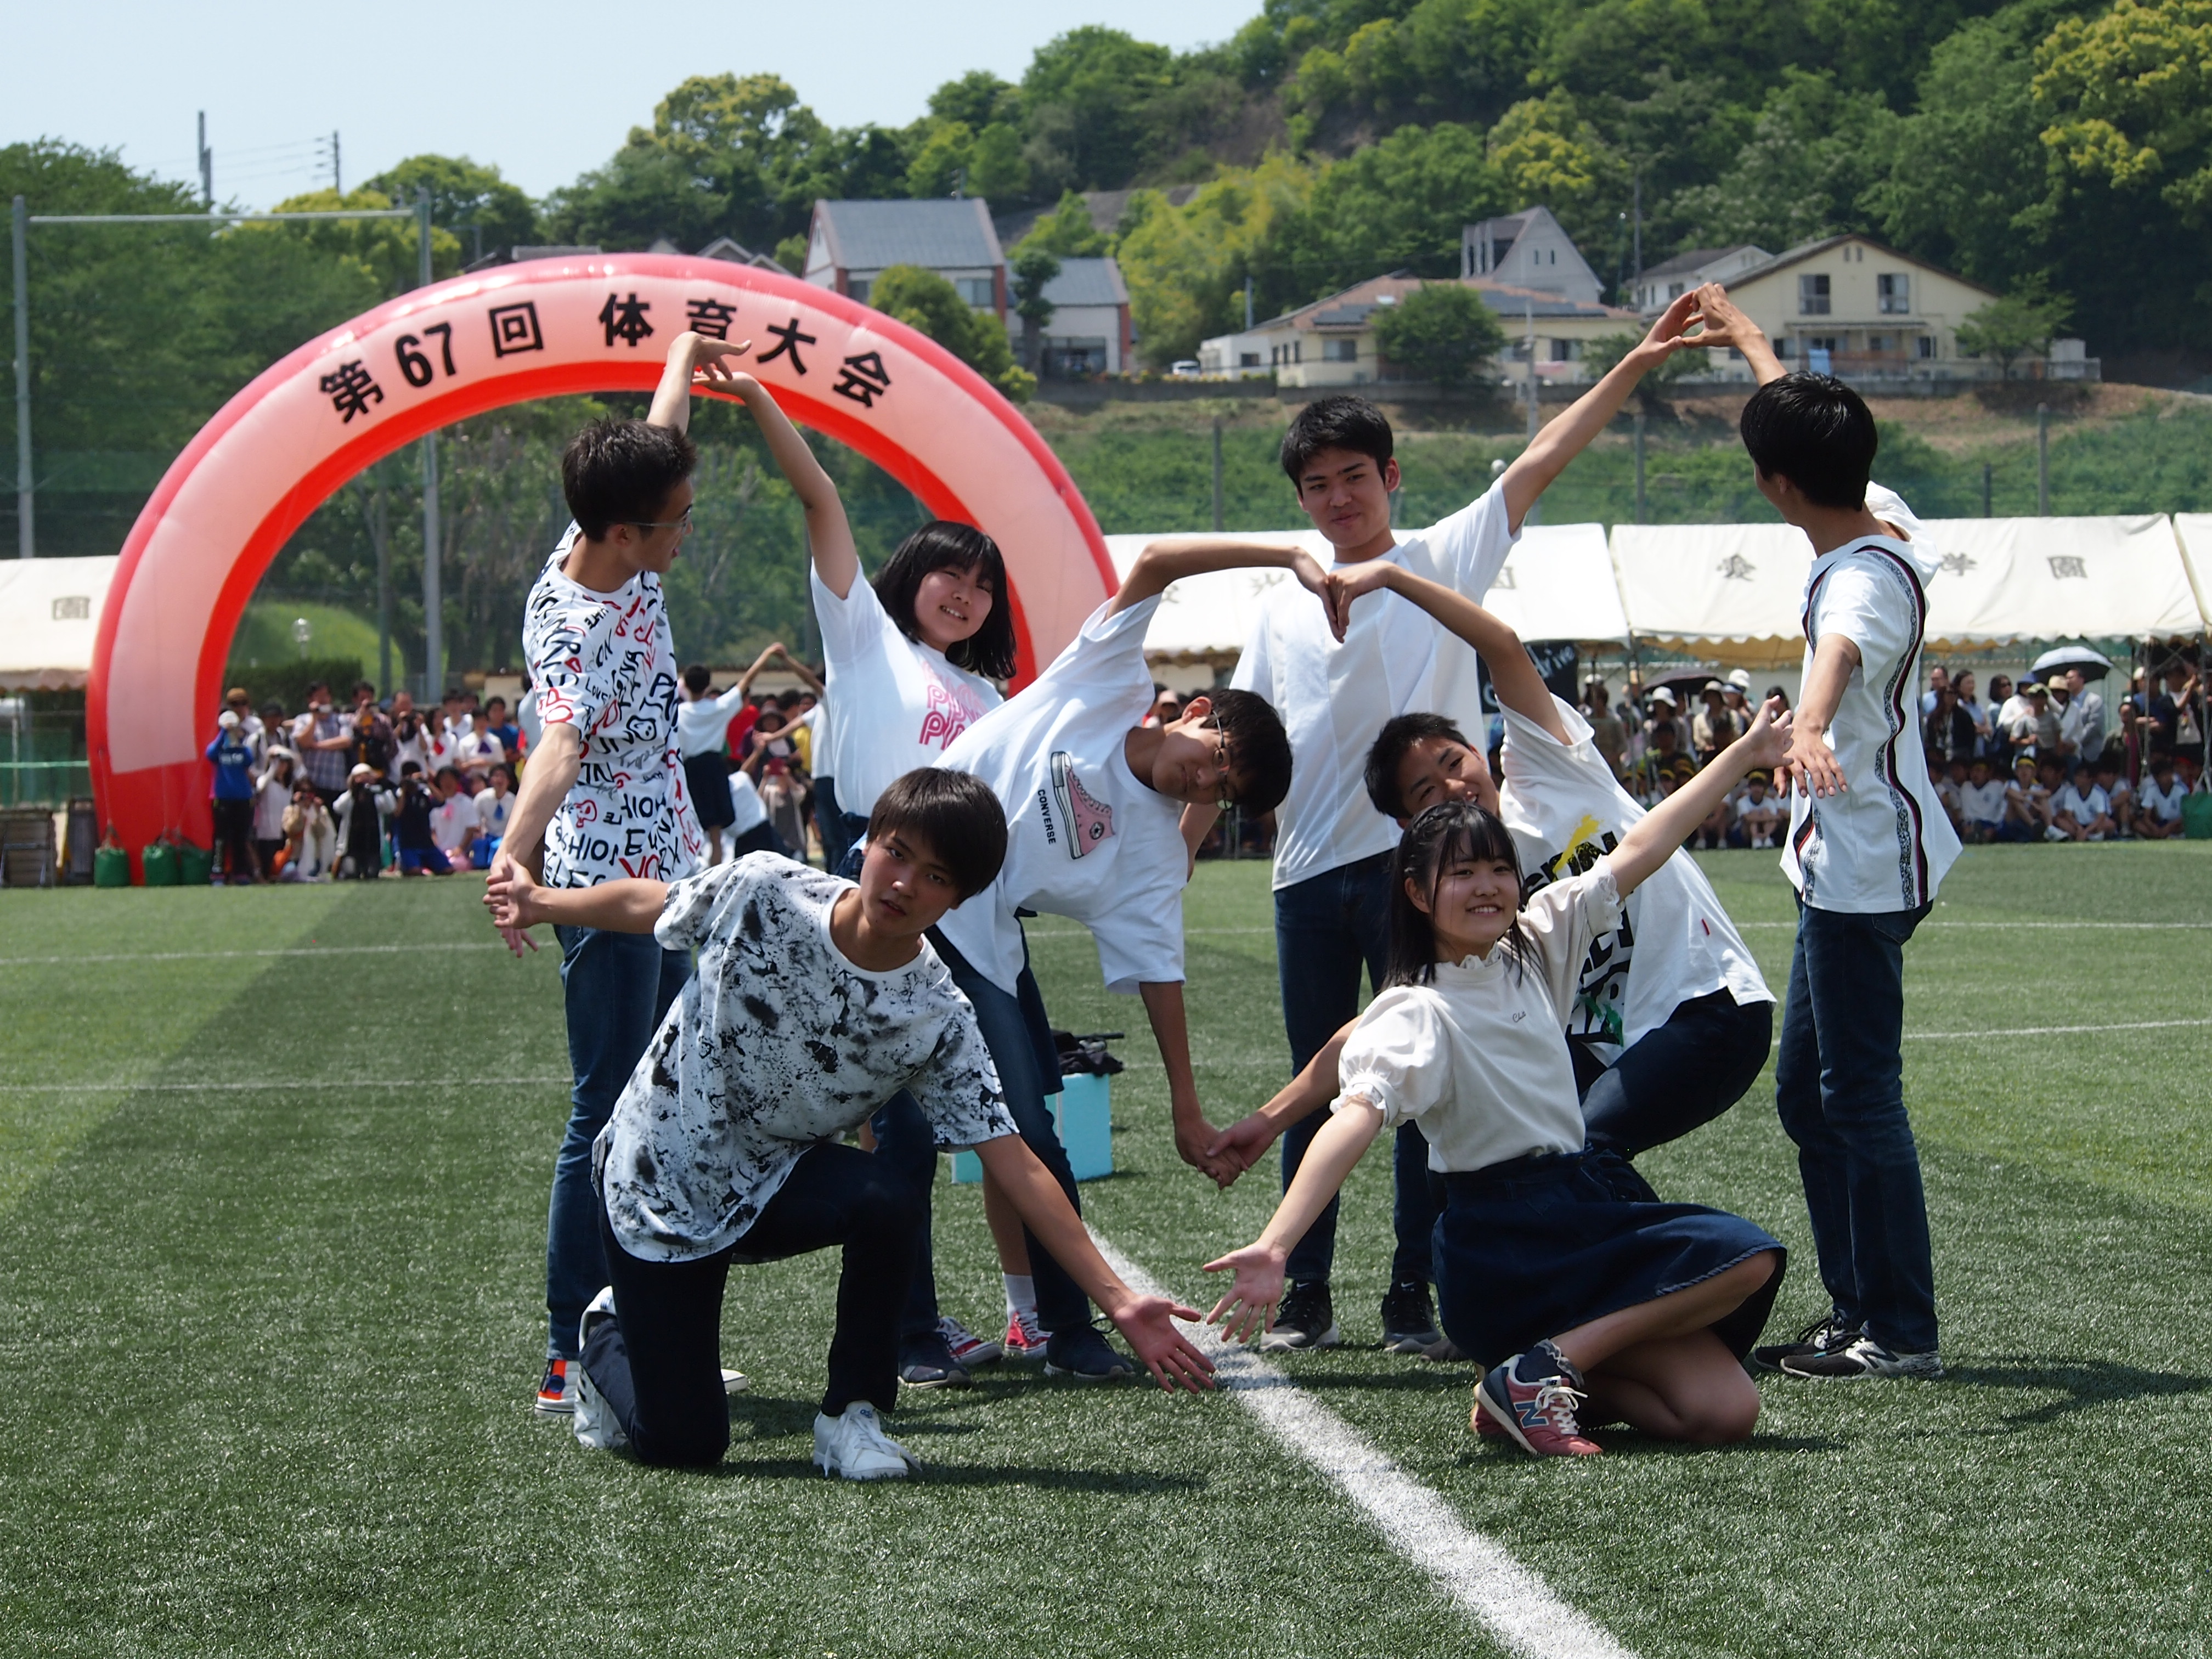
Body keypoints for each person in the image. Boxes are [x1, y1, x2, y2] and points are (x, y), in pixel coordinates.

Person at [1212, 292, 1717, 1357]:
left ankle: (1413, 1293)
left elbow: (1539, 460)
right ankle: (1305, 1292)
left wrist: (1637, 360)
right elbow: (1238, 747)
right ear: (1299, 498)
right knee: (1329, 1076)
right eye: (1318, 483)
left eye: (1356, 475)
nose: (1339, 496)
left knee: (1423, 1072)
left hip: (1416, 871)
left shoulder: (1440, 557)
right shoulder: (1271, 609)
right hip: (1303, 875)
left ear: (1390, 477)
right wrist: (1171, 856)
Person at [485, 770, 1214, 1475]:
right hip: (657, 1180)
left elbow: (1014, 1159)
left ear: (960, 897)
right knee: (685, 1442)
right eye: (897, 853)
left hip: (770, 1185)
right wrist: (542, 901)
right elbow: (656, 903)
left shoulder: (936, 1015)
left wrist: (1118, 1300)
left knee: (888, 1198)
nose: (904, 884)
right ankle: (605, 1334)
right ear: (868, 845)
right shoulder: (767, 889)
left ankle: (851, 1418)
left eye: (935, 876)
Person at [1203, 705, 1793, 1458]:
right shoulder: (1414, 1009)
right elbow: (1352, 1120)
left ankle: (1520, 1380)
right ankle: (1543, 1371)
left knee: (1723, 1411)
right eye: (1461, 874)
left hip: (1577, 1210)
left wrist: (1743, 753)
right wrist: (1276, 1244)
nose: (1486, 887)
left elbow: (1646, 843)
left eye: (1498, 870)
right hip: (1500, 1246)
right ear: (1418, 893)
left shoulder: (1539, 942)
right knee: (1747, 1255)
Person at [1209, 568, 1776, 1258]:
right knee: (1490, 1158)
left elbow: (1502, 645)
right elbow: (1385, 1021)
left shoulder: (1547, 770)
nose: (1454, 785)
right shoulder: (1465, 903)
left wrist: (1390, 576)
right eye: (1426, 791)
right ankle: (1509, 1289)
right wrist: (1270, 1119)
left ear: (1481, 751)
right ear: (1412, 826)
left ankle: (1668, 1276)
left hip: (1707, 1004)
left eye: (1455, 761)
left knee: (1585, 1145)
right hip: (1606, 1044)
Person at [875, 535, 1302, 1385]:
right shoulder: (1108, 682)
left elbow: (1161, 974)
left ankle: (1065, 1331)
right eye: (1216, 759)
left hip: (982, 940)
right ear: (1194, 712)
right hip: (899, 899)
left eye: (1223, 792)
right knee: (904, 1132)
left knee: (1033, 1130)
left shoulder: (1152, 858)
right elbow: (1157, 563)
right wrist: (1291, 558)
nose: (1205, 782)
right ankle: (911, 1333)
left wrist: (1186, 1108)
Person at [1690, 284, 1957, 1381]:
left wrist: (1802, 727)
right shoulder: (1878, 516)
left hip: (1863, 867)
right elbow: (1801, 423)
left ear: (1777, 486)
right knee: (1809, 1095)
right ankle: (1858, 1309)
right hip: (1845, 859)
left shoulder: (1859, 582)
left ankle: (1898, 1330)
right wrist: (1752, 341)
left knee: (1857, 1096)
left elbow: (1838, 650)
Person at [490, 326, 743, 1416]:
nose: (687, 531)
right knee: (605, 1108)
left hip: (675, 870)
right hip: (601, 885)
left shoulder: (606, 531)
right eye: (679, 520)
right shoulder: (572, 627)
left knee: (667, 1103)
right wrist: (512, 855)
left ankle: (647, 1327)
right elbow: (558, 746)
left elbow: (658, 434)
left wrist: (683, 352)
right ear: (629, 530)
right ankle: (570, 1348)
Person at [677, 646, 776, 867]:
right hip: (714, 768)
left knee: (692, 827)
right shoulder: (719, 707)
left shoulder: (677, 713)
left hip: (689, 770)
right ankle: (714, 875)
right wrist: (766, 655)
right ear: (708, 685)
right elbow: (746, 681)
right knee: (716, 835)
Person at [743, 706, 811, 857]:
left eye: (774, 720)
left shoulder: (788, 741)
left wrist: (789, 764)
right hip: (766, 786)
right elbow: (746, 768)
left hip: (788, 785)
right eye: (767, 721)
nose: (771, 723)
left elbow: (798, 761)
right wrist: (759, 754)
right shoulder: (757, 742)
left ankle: (798, 849)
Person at [205, 710, 260, 884]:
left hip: (243, 799)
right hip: (223, 798)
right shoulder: (217, 749)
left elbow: (249, 760)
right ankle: (218, 872)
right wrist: (224, 732)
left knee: (240, 837)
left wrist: (238, 740)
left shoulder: (243, 749)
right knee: (221, 837)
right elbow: (210, 754)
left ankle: (240, 872)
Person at [292, 683, 354, 804]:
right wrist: (314, 718)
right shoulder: (303, 719)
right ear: (310, 700)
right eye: (318, 696)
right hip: (311, 784)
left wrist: (316, 745)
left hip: (335, 783)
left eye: (326, 695)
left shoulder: (340, 719)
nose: (323, 700)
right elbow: (304, 742)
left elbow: (346, 741)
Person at [332, 763, 392, 879]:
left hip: (372, 844)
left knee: (371, 875)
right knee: (351, 874)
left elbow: (390, 808)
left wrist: (383, 790)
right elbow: (337, 807)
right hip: (352, 846)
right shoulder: (349, 797)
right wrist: (353, 792)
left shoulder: (377, 796)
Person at [390, 761, 448, 875]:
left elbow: (441, 800)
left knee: (447, 870)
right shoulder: (398, 794)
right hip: (408, 845)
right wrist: (404, 789)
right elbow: (397, 813)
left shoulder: (424, 795)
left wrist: (427, 782)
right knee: (415, 871)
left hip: (426, 843)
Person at [279, 781, 336, 882]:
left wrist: (317, 814)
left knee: (308, 873)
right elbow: (291, 830)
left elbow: (322, 833)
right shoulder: (290, 810)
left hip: (314, 858)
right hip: (296, 856)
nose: (307, 795)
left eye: (310, 792)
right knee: (288, 874)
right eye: (303, 791)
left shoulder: (321, 811)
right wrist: (299, 809)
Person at [2050, 767, 2114, 842]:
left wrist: (2086, 831)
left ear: (2090, 779)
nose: (2078, 779)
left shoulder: (2099, 794)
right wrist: (2079, 827)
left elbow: (2101, 817)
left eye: (2081, 776)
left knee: (2110, 824)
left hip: (2093, 825)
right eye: (2077, 776)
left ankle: (2089, 836)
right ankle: (2078, 836)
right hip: (2077, 825)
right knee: (2059, 821)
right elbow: (2068, 815)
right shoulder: (2070, 792)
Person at [1582, 680, 1629, 781]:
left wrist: (1611, 759)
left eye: (1598, 699)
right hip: (1594, 765)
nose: (1596, 703)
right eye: (1593, 700)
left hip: (1613, 766)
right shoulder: (1587, 722)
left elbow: (1623, 745)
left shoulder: (1614, 721)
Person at [2136, 755, 2188, 838]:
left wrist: (2170, 827)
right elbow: (2146, 817)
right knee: (2138, 825)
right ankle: (2158, 836)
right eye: (2164, 775)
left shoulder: (2180, 790)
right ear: (2156, 778)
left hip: (2176, 824)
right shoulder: (2151, 790)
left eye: (2169, 774)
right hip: (2161, 823)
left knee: (2185, 825)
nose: (2168, 778)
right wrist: (2153, 827)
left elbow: (2185, 815)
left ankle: (2166, 836)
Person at [1957, 757, 2007, 844]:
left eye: (1979, 771)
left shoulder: (1997, 786)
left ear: (1987, 773)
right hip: (1971, 822)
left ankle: (1981, 838)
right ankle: (1973, 838)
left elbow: (2003, 807)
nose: (1975, 774)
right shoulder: (1966, 787)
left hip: (1990, 823)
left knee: (1989, 832)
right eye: (1973, 771)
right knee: (1967, 829)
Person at [474, 763, 516, 861]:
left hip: (505, 837)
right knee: (479, 845)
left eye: (503, 776)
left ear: (509, 781)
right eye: (496, 776)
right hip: (487, 835)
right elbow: (476, 819)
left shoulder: (514, 800)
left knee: (497, 846)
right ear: (491, 780)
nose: (499, 780)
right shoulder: (482, 798)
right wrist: (479, 832)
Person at [1733, 770, 1782, 849]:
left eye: (1760, 786)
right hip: (1744, 832)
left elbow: (1777, 818)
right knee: (1754, 815)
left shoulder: (1770, 802)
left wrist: (1764, 817)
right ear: (1750, 788)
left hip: (1766, 828)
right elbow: (1748, 818)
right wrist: (1764, 817)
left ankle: (1767, 838)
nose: (1757, 789)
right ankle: (1756, 839)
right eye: (1754, 786)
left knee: (1766, 812)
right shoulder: (1742, 801)